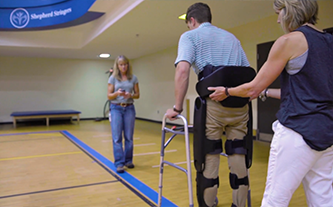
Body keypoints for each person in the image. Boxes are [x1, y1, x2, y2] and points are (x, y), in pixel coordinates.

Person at [208, 0, 333, 206]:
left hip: (296, 133)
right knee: (323, 199)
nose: (277, 19)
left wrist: (227, 91)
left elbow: (252, 88)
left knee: (275, 200)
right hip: (326, 133)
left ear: (290, 10)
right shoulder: (329, 41)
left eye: (279, 12)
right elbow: (301, 91)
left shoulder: (289, 41)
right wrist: (265, 92)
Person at [165, 3, 251, 207]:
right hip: (239, 106)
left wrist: (177, 108)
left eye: (188, 24)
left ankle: (209, 204)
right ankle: (239, 204)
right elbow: (247, 72)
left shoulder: (190, 36)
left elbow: (183, 71)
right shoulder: (232, 38)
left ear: (192, 21)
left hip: (214, 105)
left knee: (210, 155)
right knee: (238, 152)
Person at [107, 55, 140, 173]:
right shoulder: (113, 78)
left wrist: (130, 95)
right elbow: (109, 96)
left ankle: (128, 160)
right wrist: (117, 94)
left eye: (125, 64)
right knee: (117, 137)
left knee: (129, 137)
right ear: (118, 66)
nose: (123, 66)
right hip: (116, 108)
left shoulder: (133, 78)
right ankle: (119, 163)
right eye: (121, 64)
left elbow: (137, 94)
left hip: (129, 108)